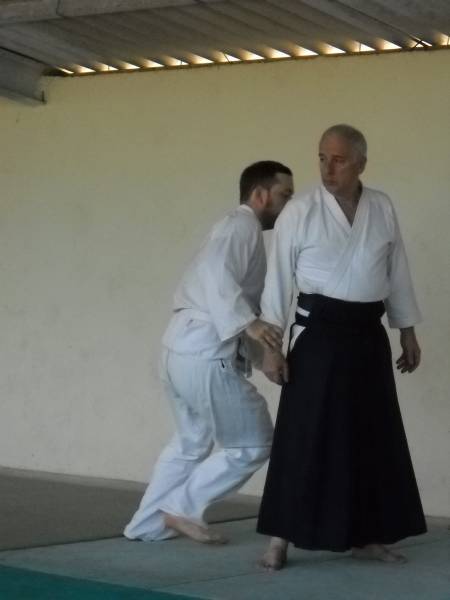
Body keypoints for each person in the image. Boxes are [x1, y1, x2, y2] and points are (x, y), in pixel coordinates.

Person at [256, 125, 427, 569]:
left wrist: (406, 329)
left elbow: (396, 268)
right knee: (304, 433)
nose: (328, 169)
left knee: (370, 435)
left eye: (339, 160)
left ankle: (365, 536)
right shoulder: (301, 210)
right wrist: (271, 347)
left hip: (367, 331)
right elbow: (278, 279)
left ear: (361, 164)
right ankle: (279, 537)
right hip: (318, 333)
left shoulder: (381, 206)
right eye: (322, 158)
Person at [124, 161, 294, 544]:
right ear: (260, 194)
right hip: (203, 351)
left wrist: (263, 357)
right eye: (284, 195)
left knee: (191, 442)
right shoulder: (241, 226)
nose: (288, 205)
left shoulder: (235, 228)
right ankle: (183, 508)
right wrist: (251, 325)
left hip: (178, 350)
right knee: (253, 443)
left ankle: (146, 525)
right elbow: (217, 275)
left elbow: (224, 290)